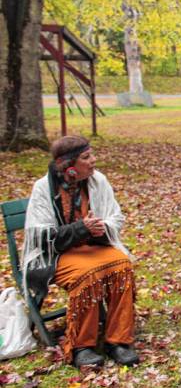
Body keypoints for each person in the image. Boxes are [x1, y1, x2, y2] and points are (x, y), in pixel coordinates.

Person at [22, 136, 138, 368]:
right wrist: (80, 228)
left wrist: (99, 229)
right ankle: (81, 346)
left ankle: (118, 340)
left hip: (93, 247)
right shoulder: (43, 188)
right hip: (57, 255)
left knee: (122, 264)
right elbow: (42, 237)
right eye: (87, 157)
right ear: (69, 167)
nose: (93, 161)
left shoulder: (97, 180)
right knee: (88, 273)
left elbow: (115, 216)